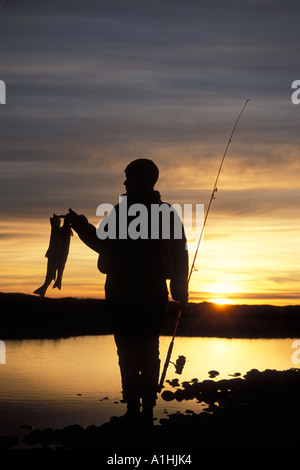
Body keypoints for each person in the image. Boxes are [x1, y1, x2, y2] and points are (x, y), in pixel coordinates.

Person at [66, 159, 188, 425]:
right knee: (142, 348)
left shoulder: (123, 213)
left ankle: (138, 409)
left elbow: (102, 244)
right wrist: (80, 224)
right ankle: (142, 408)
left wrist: (81, 226)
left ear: (143, 181)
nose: (124, 182)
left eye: (128, 177)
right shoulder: (163, 213)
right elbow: (180, 252)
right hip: (145, 290)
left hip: (126, 289)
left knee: (131, 349)